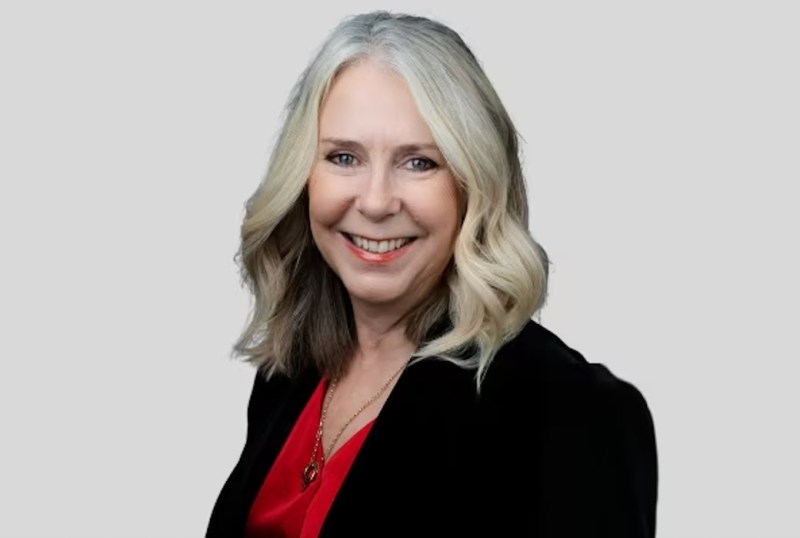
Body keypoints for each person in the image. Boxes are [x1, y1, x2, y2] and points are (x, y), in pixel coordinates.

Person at [206, 10, 658, 538]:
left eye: (418, 162)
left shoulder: (570, 411)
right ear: (302, 177)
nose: (374, 201)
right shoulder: (287, 376)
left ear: (474, 186)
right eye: (344, 157)